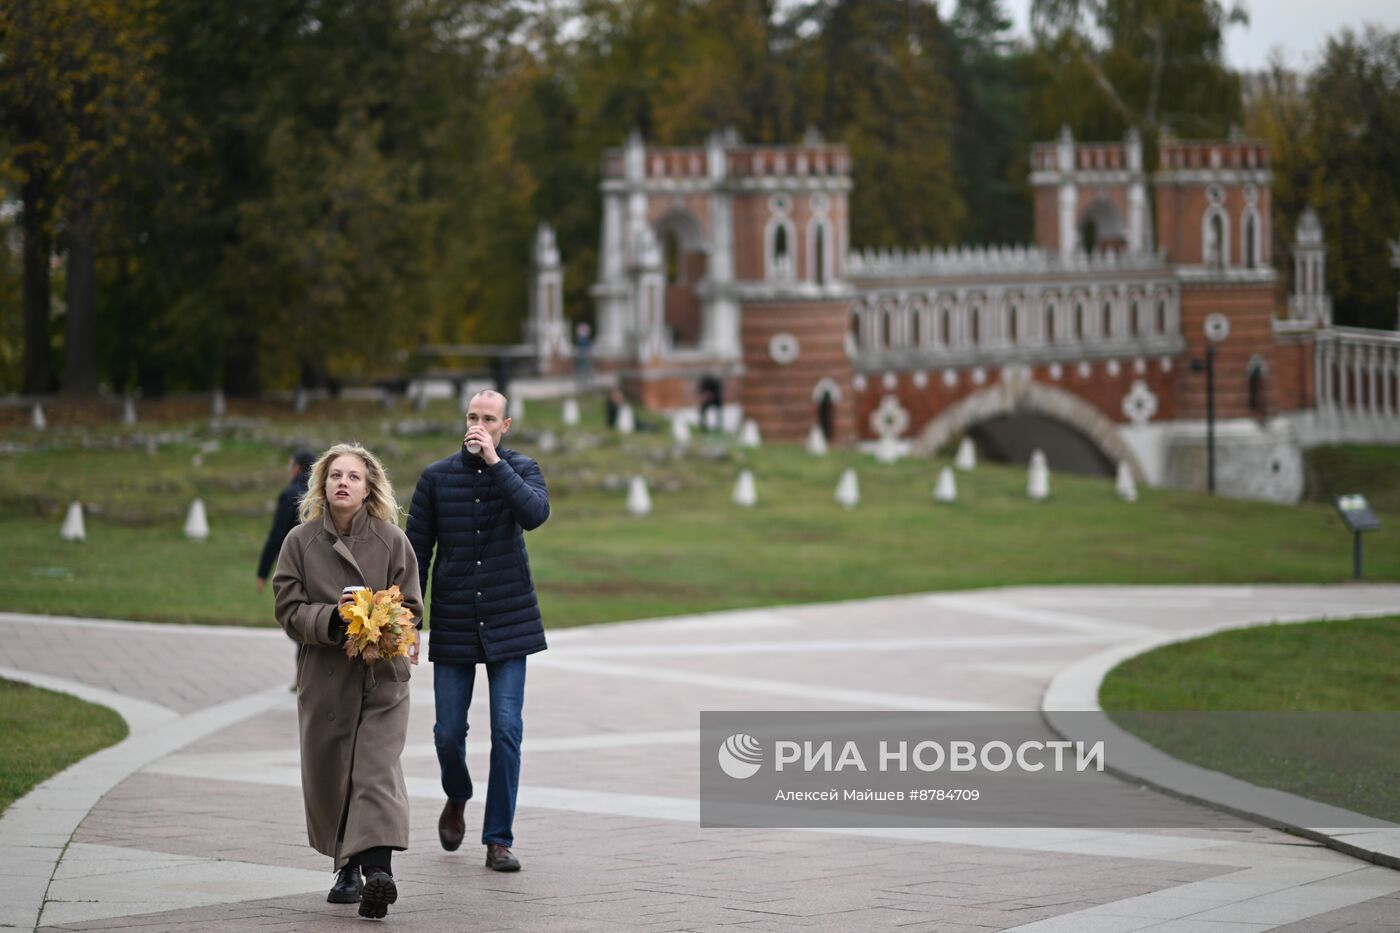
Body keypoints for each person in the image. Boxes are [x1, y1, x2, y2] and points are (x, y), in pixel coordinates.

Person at [272, 443, 423, 919]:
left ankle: (379, 872)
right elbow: (288, 608)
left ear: (369, 486)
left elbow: (414, 608)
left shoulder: (392, 540)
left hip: (382, 679)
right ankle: (347, 870)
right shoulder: (299, 541)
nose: (344, 482)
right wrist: (335, 620)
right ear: (321, 484)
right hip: (327, 677)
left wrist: (379, 619)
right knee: (333, 773)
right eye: (335, 475)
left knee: (374, 771)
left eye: (354, 477)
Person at [407, 389, 549, 873]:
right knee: (448, 733)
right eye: (472, 417)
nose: (478, 425)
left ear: (504, 425)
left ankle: (498, 839)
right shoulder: (435, 478)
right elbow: (415, 553)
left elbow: (535, 514)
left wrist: (495, 463)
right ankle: (457, 793)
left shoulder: (523, 469)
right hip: (454, 620)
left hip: (511, 622)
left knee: (507, 731)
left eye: (489, 419)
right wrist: (410, 623)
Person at [256, 448, 315, 594]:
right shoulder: (321, 494)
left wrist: (263, 572)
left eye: (291, 466)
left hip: (292, 563)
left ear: (297, 468)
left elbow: (277, 533)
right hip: (318, 563)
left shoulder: (290, 494)